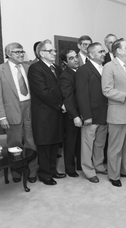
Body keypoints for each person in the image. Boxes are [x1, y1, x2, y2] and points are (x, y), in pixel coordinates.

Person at [102, 39, 126, 187]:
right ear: (118, 50)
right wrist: (125, 95)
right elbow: (107, 90)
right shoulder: (109, 66)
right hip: (118, 111)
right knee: (115, 146)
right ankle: (114, 175)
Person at [28, 40, 66, 185]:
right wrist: (60, 104)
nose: (54, 53)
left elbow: (61, 88)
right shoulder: (35, 68)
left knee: (55, 142)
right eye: (51, 51)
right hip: (44, 113)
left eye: (54, 51)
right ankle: (44, 174)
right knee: (44, 144)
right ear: (42, 53)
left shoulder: (56, 68)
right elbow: (43, 92)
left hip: (56, 112)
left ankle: (52, 170)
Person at [0, 43, 38, 183]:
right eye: (17, 52)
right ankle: (16, 172)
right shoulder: (1, 70)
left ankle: (32, 171)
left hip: (29, 108)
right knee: (14, 143)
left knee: (31, 141)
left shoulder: (28, 68)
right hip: (11, 111)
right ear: (8, 53)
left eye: (22, 51)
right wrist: (2, 116)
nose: (21, 54)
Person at [76, 42, 108, 183]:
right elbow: (82, 95)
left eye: (103, 51)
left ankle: (99, 165)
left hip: (105, 112)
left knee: (100, 143)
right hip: (91, 114)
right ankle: (88, 170)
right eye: (100, 52)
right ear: (91, 54)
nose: (104, 54)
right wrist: (86, 116)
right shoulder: (83, 70)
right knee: (88, 144)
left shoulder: (105, 68)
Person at [59, 49, 82, 177]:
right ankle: (69, 168)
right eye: (71, 58)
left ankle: (79, 164)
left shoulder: (80, 72)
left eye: (76, 56)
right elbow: (68, 98)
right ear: (65, 62)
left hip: (81, 112)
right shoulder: (65, 76)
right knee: (70, 142)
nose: (75, 60)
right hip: (72, 115)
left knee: (79, 141)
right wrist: (75, 116)